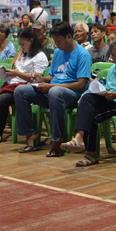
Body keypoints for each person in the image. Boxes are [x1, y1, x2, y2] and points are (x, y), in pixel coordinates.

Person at [14, 21, 92, 156]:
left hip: (71, 95)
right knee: (20, 91)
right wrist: (40, 80)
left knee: (56, 92)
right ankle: (31, 133)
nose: (56, 44)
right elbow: (51, 76)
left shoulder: (82, 54)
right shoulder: (57, 52)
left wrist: (51, 86)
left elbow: (81, 85)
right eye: (55, 41)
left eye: (59, 41)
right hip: (52, 91)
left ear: (69, 36)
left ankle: (57, 141)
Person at [60, 38, 116, 166]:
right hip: (110, 99)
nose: (115, 58)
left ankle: (90, 154)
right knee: (87, 98)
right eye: (113, 55)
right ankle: (79, 137)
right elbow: (108, 89)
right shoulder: (113, 69)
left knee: (91, 116)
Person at [0, 27, 48, 144]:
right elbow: (17, 65)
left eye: (23, 44)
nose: (21, 47)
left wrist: (17, 73)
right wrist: (8, 73)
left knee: (1, 99)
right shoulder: (23, 53)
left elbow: (37, 79)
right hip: (13, 84)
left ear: (31, 40)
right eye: (20, 44)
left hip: (27, 88)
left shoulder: (40, 56)